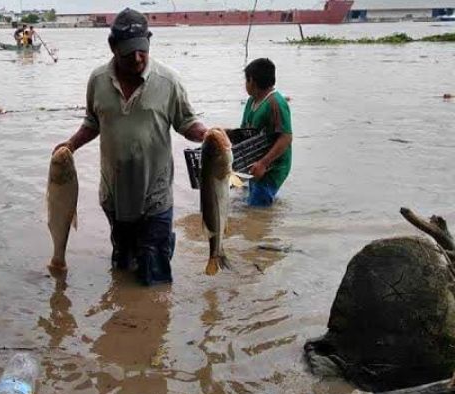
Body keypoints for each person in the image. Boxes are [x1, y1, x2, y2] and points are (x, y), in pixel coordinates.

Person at [52, 8, 208, 286]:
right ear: (112, 47)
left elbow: (187, 122)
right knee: (122, 262)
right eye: (128, 52)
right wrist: (70, 145)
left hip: (155, 195)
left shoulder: (168, 81)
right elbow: (92, 122)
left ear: (149, 42)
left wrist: (210, 136)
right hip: (114, 195)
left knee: (155, 275)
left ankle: (151, 320)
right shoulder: (98, 80)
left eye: (142, 50)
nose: (137, 58)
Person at [241, 58, 293, 207]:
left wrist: (264, 163)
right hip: (256, 161)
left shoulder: (275, 103)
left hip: (273, 166)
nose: (245, 84)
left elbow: (286, 137)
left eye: (246, 80)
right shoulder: (252, 101)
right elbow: (245, 131)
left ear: (252, 82)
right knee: (252, 202)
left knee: (257, 210)